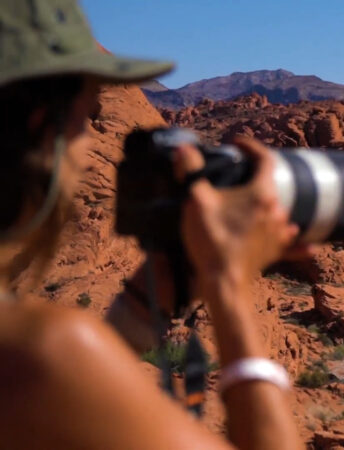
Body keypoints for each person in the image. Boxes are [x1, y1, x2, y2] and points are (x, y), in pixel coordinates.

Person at [0, 1, 305, 448]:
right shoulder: (32, 354)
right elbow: (52, 379)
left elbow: (68, 403)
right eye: (88, 117)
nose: (90, 147)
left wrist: (144, 302)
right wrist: (228, 285)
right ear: (44, 125)